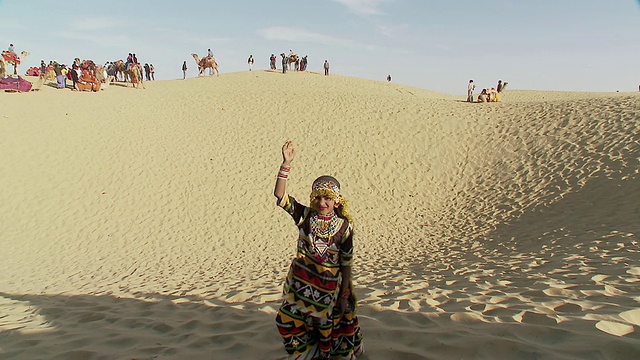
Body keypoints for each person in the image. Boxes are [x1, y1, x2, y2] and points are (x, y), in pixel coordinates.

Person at [273, 141, 364, 360]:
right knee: (285, 318)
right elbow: (280, 196)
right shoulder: (304, 216)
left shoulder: (344, 226)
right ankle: (306, 354)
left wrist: (344, 294)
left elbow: (346, 262)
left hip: (330, 289)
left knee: (331, 329)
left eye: (328, 198)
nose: (323, 202)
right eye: (319, 198)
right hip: (302, 286)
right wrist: (286, 164)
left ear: (336, 200)